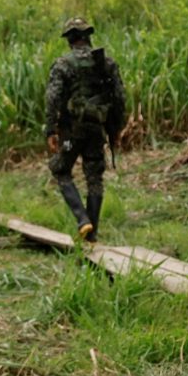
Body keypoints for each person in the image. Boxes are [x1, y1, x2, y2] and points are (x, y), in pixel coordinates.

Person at [43, 16, 126, 241]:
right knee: (94, 178)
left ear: (69, 39)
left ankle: (82, 219)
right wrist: (116, 129)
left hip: (72, 129)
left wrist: (50, 130)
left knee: (60, 170)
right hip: (97, 129)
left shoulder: (63, 64)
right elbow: (119, 98)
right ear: (88, 37)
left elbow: (52, 98)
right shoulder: (106, 63)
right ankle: (92, 234)